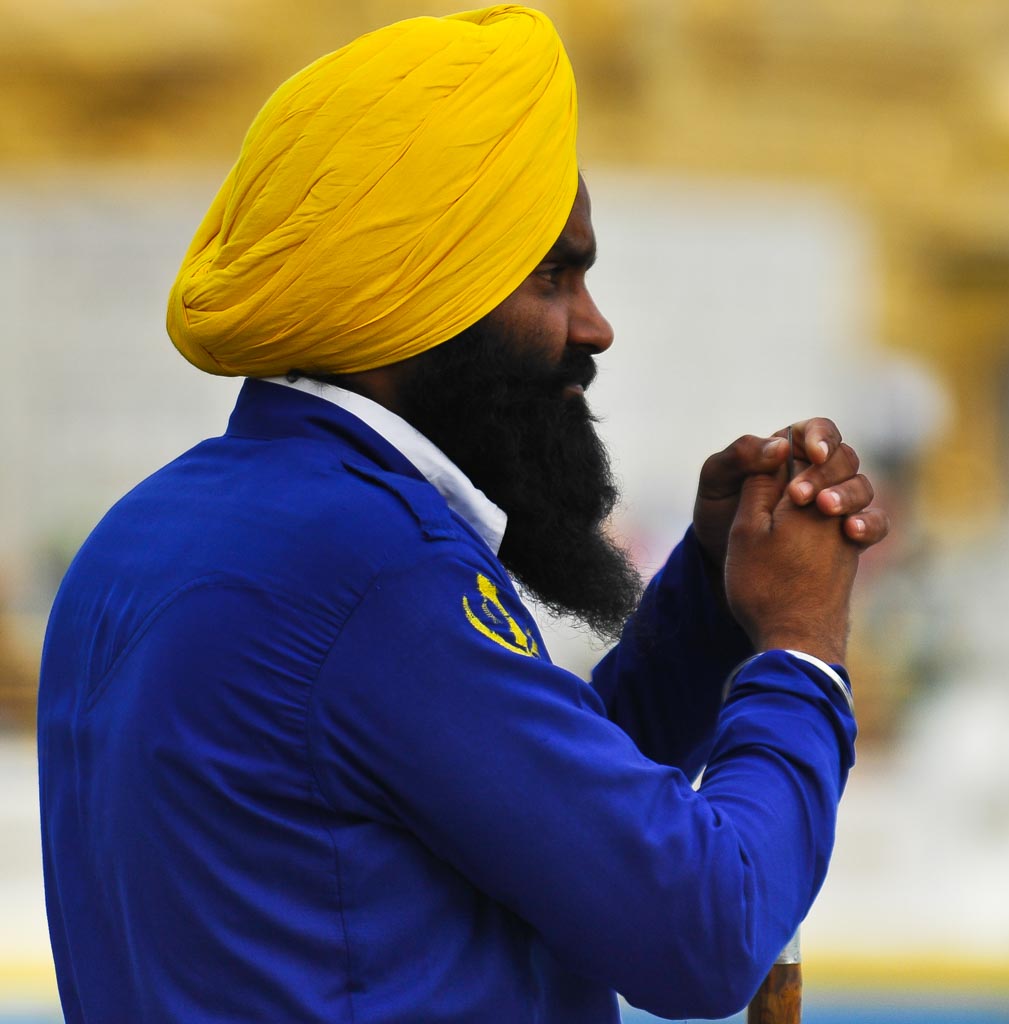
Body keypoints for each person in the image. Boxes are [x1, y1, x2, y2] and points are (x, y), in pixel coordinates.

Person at [37, 7, 889, 1023]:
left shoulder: (151, 531)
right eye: (551, 275)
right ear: (420, 293)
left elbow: (536, 826)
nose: (594, 324)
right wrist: (797, 651)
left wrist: (709, 600)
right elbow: (703, 929)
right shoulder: (368, 569)